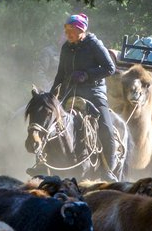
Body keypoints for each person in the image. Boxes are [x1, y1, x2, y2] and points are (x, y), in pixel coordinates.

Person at [51, 13, 119, 180]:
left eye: (71, 29)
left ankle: (108, 169)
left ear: (81, 29)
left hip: (93, 92)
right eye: (66, 29)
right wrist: (53, 95)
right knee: (50, 120)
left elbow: (110, 68)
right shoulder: (66, 47)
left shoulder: (94, 44)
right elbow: (60, 74)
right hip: (70, 91)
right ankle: (43, 161)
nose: (67, 33)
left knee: (106, 128)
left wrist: (86, 75)